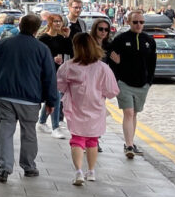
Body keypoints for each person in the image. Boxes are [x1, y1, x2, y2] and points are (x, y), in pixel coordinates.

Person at [0, 14, 60, 183]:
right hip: (30, 99)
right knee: (29, 133)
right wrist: (51, 100)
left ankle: (4, 168)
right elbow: (49, 76)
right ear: (36, 29)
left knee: (5, 131)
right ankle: (29, 166)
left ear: (20, 25)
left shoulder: (4, 44)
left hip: (4, 95)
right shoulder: (42, 49)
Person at [57, 33, 120, 185]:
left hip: (75, 106)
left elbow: (60, 85)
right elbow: (111, 90)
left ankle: (78, 171)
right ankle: (91, 171)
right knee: (93, 139)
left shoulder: (68, 66)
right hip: (96, 107)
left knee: (77, 139)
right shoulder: (102, 68)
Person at [108, 10, 156, 159]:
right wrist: (116, 77)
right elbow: (111, 58)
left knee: (134, 113)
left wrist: (149, 81)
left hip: (142, 84)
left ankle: (131, 142)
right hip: (124, 83)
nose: (139, 25)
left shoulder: (149, 40)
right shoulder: (121, 39)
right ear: (129, 22)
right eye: (135, 22)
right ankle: (128, 145)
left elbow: (152, 63)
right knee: (128, 112)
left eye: (141, 22)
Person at [35, 14, 71, 139]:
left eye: (60, 21)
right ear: (49, 23)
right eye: (55, 21)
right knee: (55, 97)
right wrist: (52, 59)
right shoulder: (43, 38)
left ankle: (42, 121)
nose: (58, 24)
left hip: (58, 72)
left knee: (53, 97)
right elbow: (38, 57)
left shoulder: (61, 38)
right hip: (45, 73)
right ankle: (55, 127)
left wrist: (67, 37)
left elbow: (70, 51)